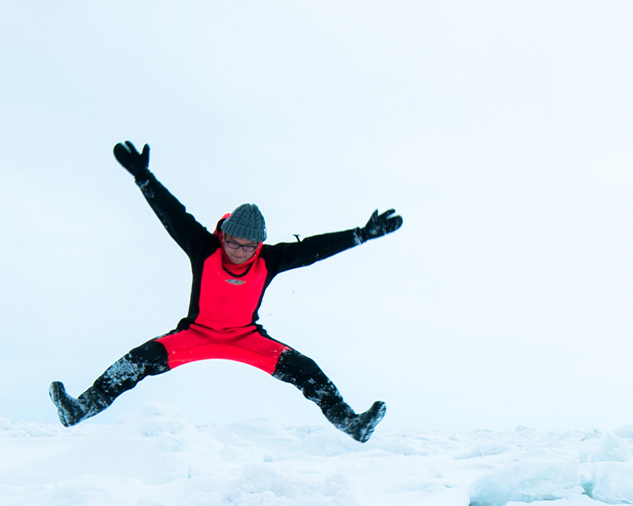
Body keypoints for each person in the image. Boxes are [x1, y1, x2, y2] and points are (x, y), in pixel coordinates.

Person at [51, 141, 401, 441]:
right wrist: (144, 177)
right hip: (194, 334)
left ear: (259, 244)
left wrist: (362, 234)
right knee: (136, 362)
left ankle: (350, 423)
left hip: (246, 337)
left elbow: (312, 249)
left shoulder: (270, 259)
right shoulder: (204, 249)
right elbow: (173, 215)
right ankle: (80, 408)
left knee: (306, 370)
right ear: (222, 235)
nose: (239, 250)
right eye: (232, 241)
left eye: (249, 246)